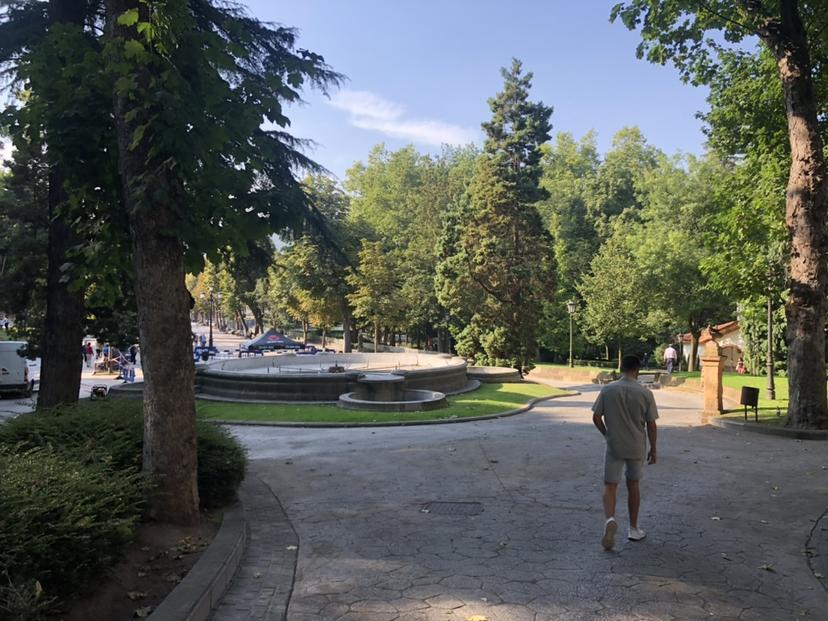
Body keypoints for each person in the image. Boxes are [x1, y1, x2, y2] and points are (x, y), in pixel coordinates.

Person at [592, 355, 659, 550]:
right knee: (633, 485)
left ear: (621, 368)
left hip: (614, 444)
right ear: (637, 370)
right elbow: (651, 424)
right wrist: (653, 448)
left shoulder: (608, 389)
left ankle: (610, 519)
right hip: (636, 445)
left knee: (610, 484)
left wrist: (607, 434)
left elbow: (596, 417)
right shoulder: (645, 393)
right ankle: (633, 528)